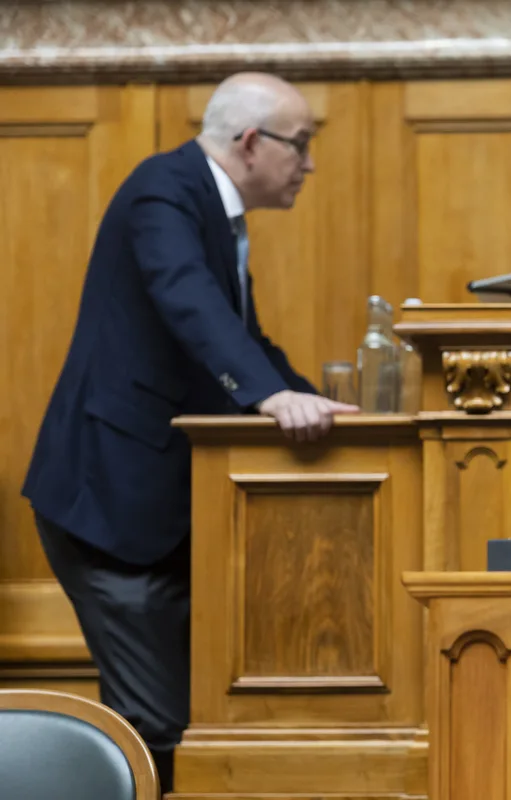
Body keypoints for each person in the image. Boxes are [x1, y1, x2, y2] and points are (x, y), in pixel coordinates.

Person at [20, 72, 358, 793]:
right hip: (113, 515)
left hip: (162, 518)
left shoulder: (212, 205)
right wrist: (271, 398)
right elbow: (187, 299)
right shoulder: (163, 191)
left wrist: (309, 400)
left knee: (187, 724)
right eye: (301, 146)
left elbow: (241, 337)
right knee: (159, 732)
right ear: (250, 142)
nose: (310, 164)